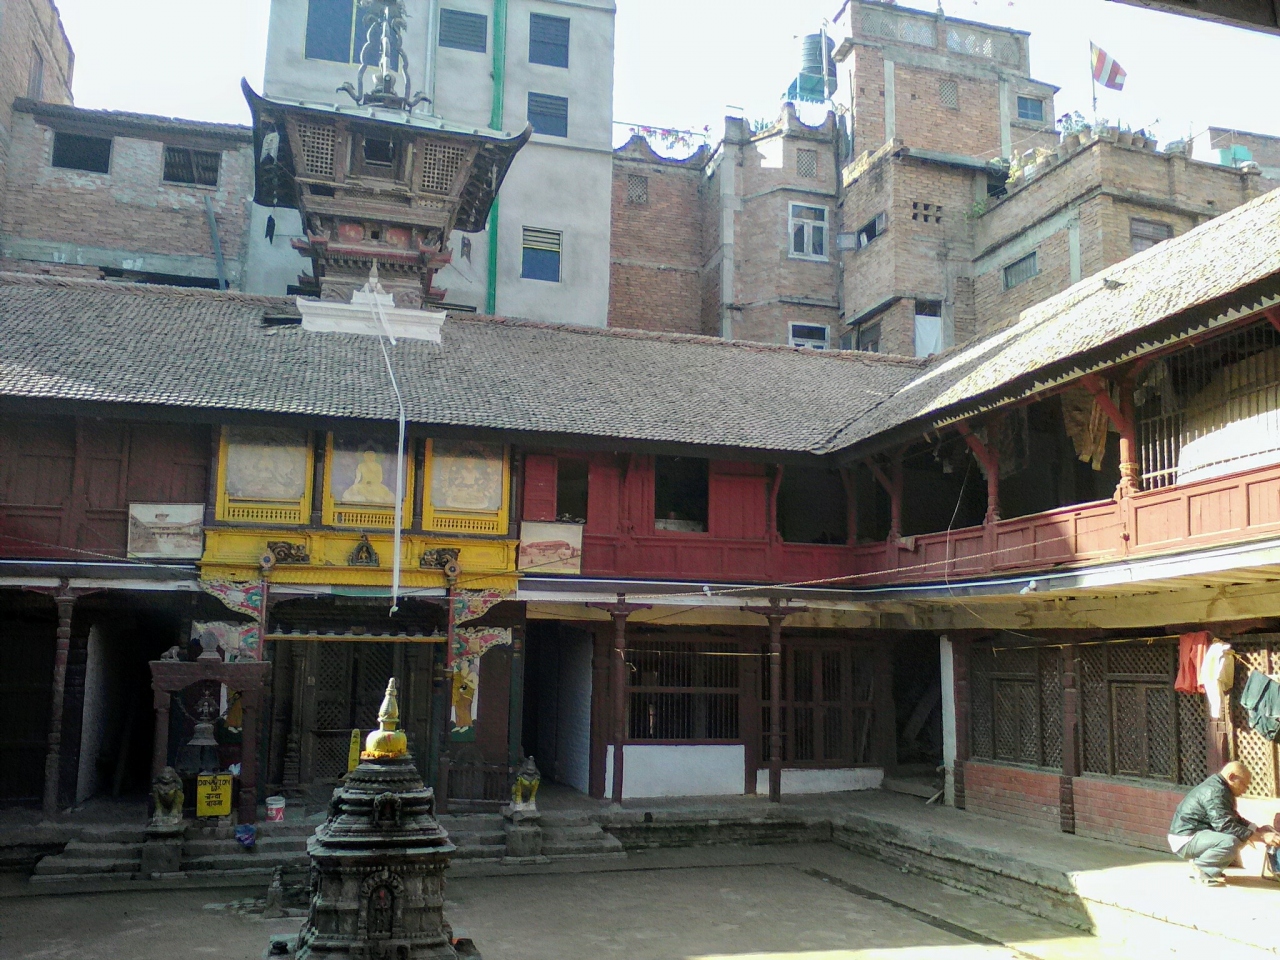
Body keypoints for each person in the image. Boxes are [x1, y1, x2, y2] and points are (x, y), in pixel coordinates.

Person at [1168, 761, 1280, 886]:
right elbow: (1225, 826)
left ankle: (1206, 865)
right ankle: (1202, 869)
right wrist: (1262, 837)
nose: (1245, 790)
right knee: (1231, 841)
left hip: (1196, 835)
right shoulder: (1216, 791)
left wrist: (1257, 830)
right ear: (1231, 777)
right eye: (1243, 784)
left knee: (1241, 835)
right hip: (1186, 839)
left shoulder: (1221, 788)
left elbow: (1233, 818)